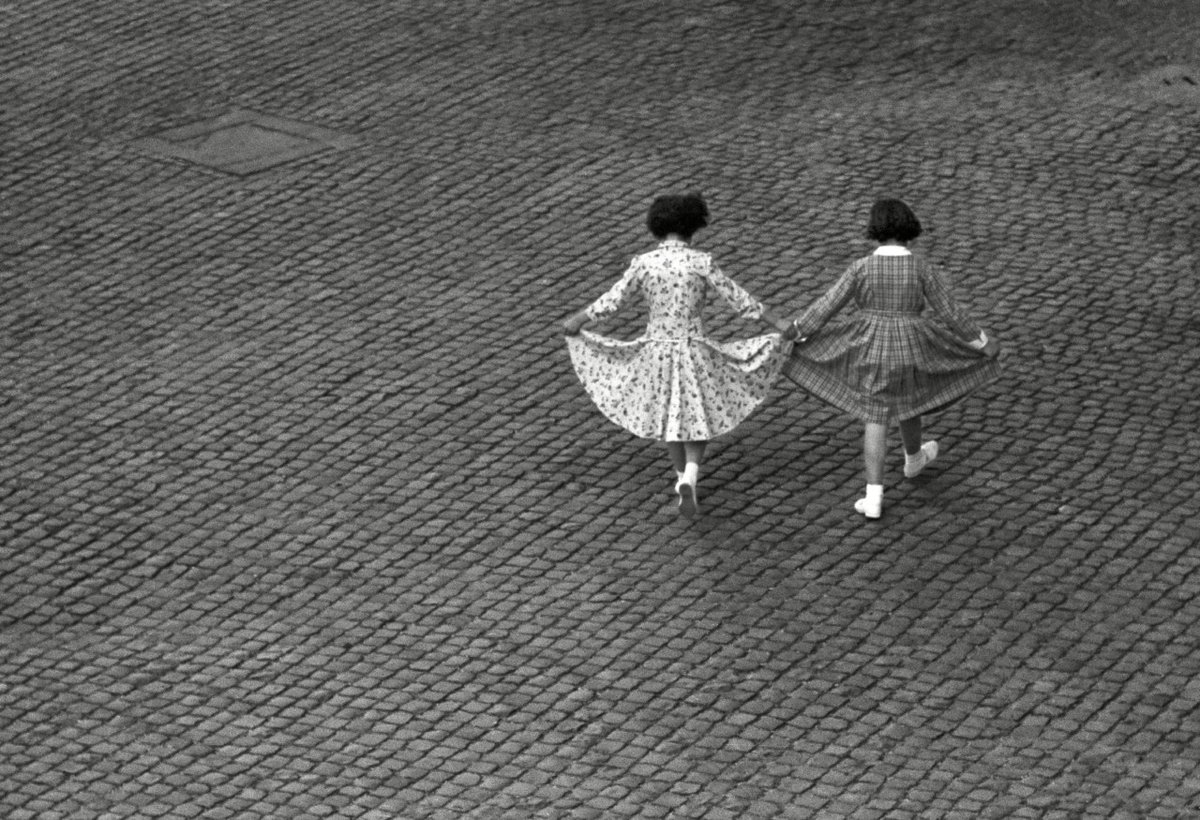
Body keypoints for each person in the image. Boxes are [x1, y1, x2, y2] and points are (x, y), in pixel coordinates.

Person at [562, 192, 796, 518]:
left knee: (669, 414)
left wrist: (578, 319)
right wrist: (779, 323)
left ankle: (678, 479)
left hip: (656, 352)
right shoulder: (700, 263)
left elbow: (612, 300)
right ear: (693, 226)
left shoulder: (643, 264)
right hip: (692, 349)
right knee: (697, 415)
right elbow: (740, 300)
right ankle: (691, 474)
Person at [782, 198, 1001, 519]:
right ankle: (913, 459)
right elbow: (950, 311)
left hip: (870, 345)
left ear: (876, 229)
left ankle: (874, 496)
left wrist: (796, 333)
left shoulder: (862, 267)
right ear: (909, 228)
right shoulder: (920, 267)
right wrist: (982, 342)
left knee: (876, 415)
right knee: (910, 400)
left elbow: (827, 306)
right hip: (913, 345)